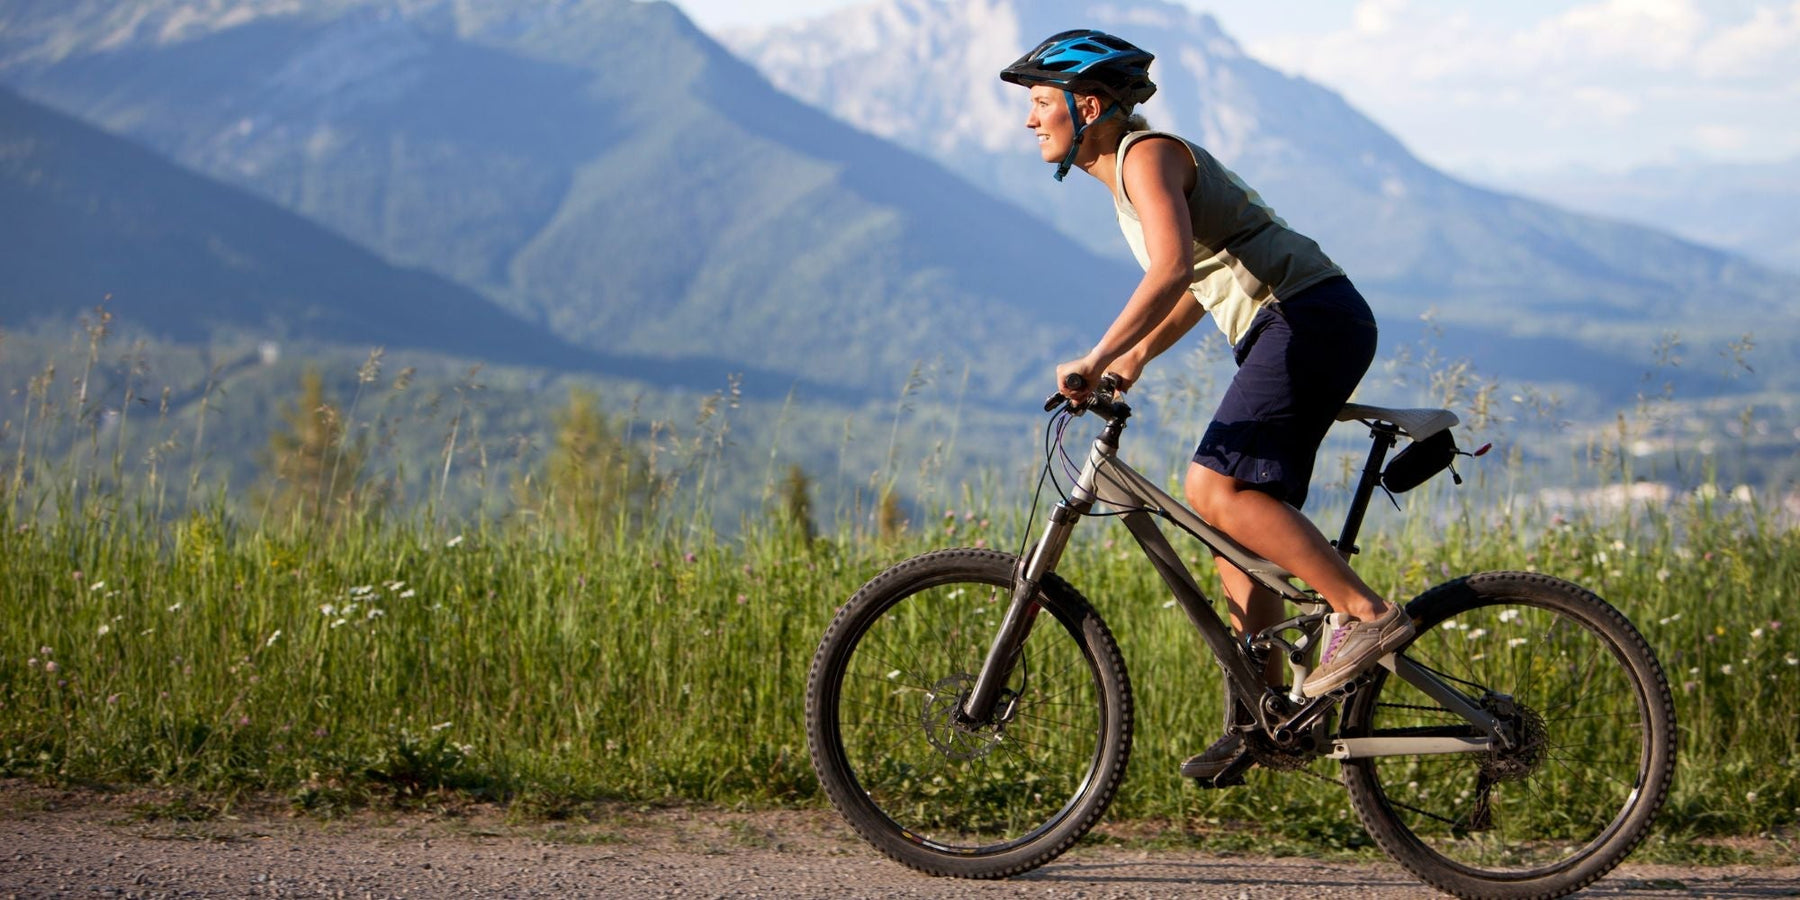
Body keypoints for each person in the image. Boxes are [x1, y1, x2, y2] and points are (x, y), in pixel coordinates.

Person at [1000, 29, 1414, 783]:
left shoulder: (1145, 157)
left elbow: (1166, 271)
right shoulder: (1131, 173)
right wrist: (1132, 360)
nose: (1030, 120)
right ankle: (1265, 719)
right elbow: (1197, 278)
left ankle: (1364, 616)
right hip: (1297, 322)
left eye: (1038, 103)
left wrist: (1094, 355)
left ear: (1085, 103)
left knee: (1211, 487)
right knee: (1234, 538)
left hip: (1305, 316)